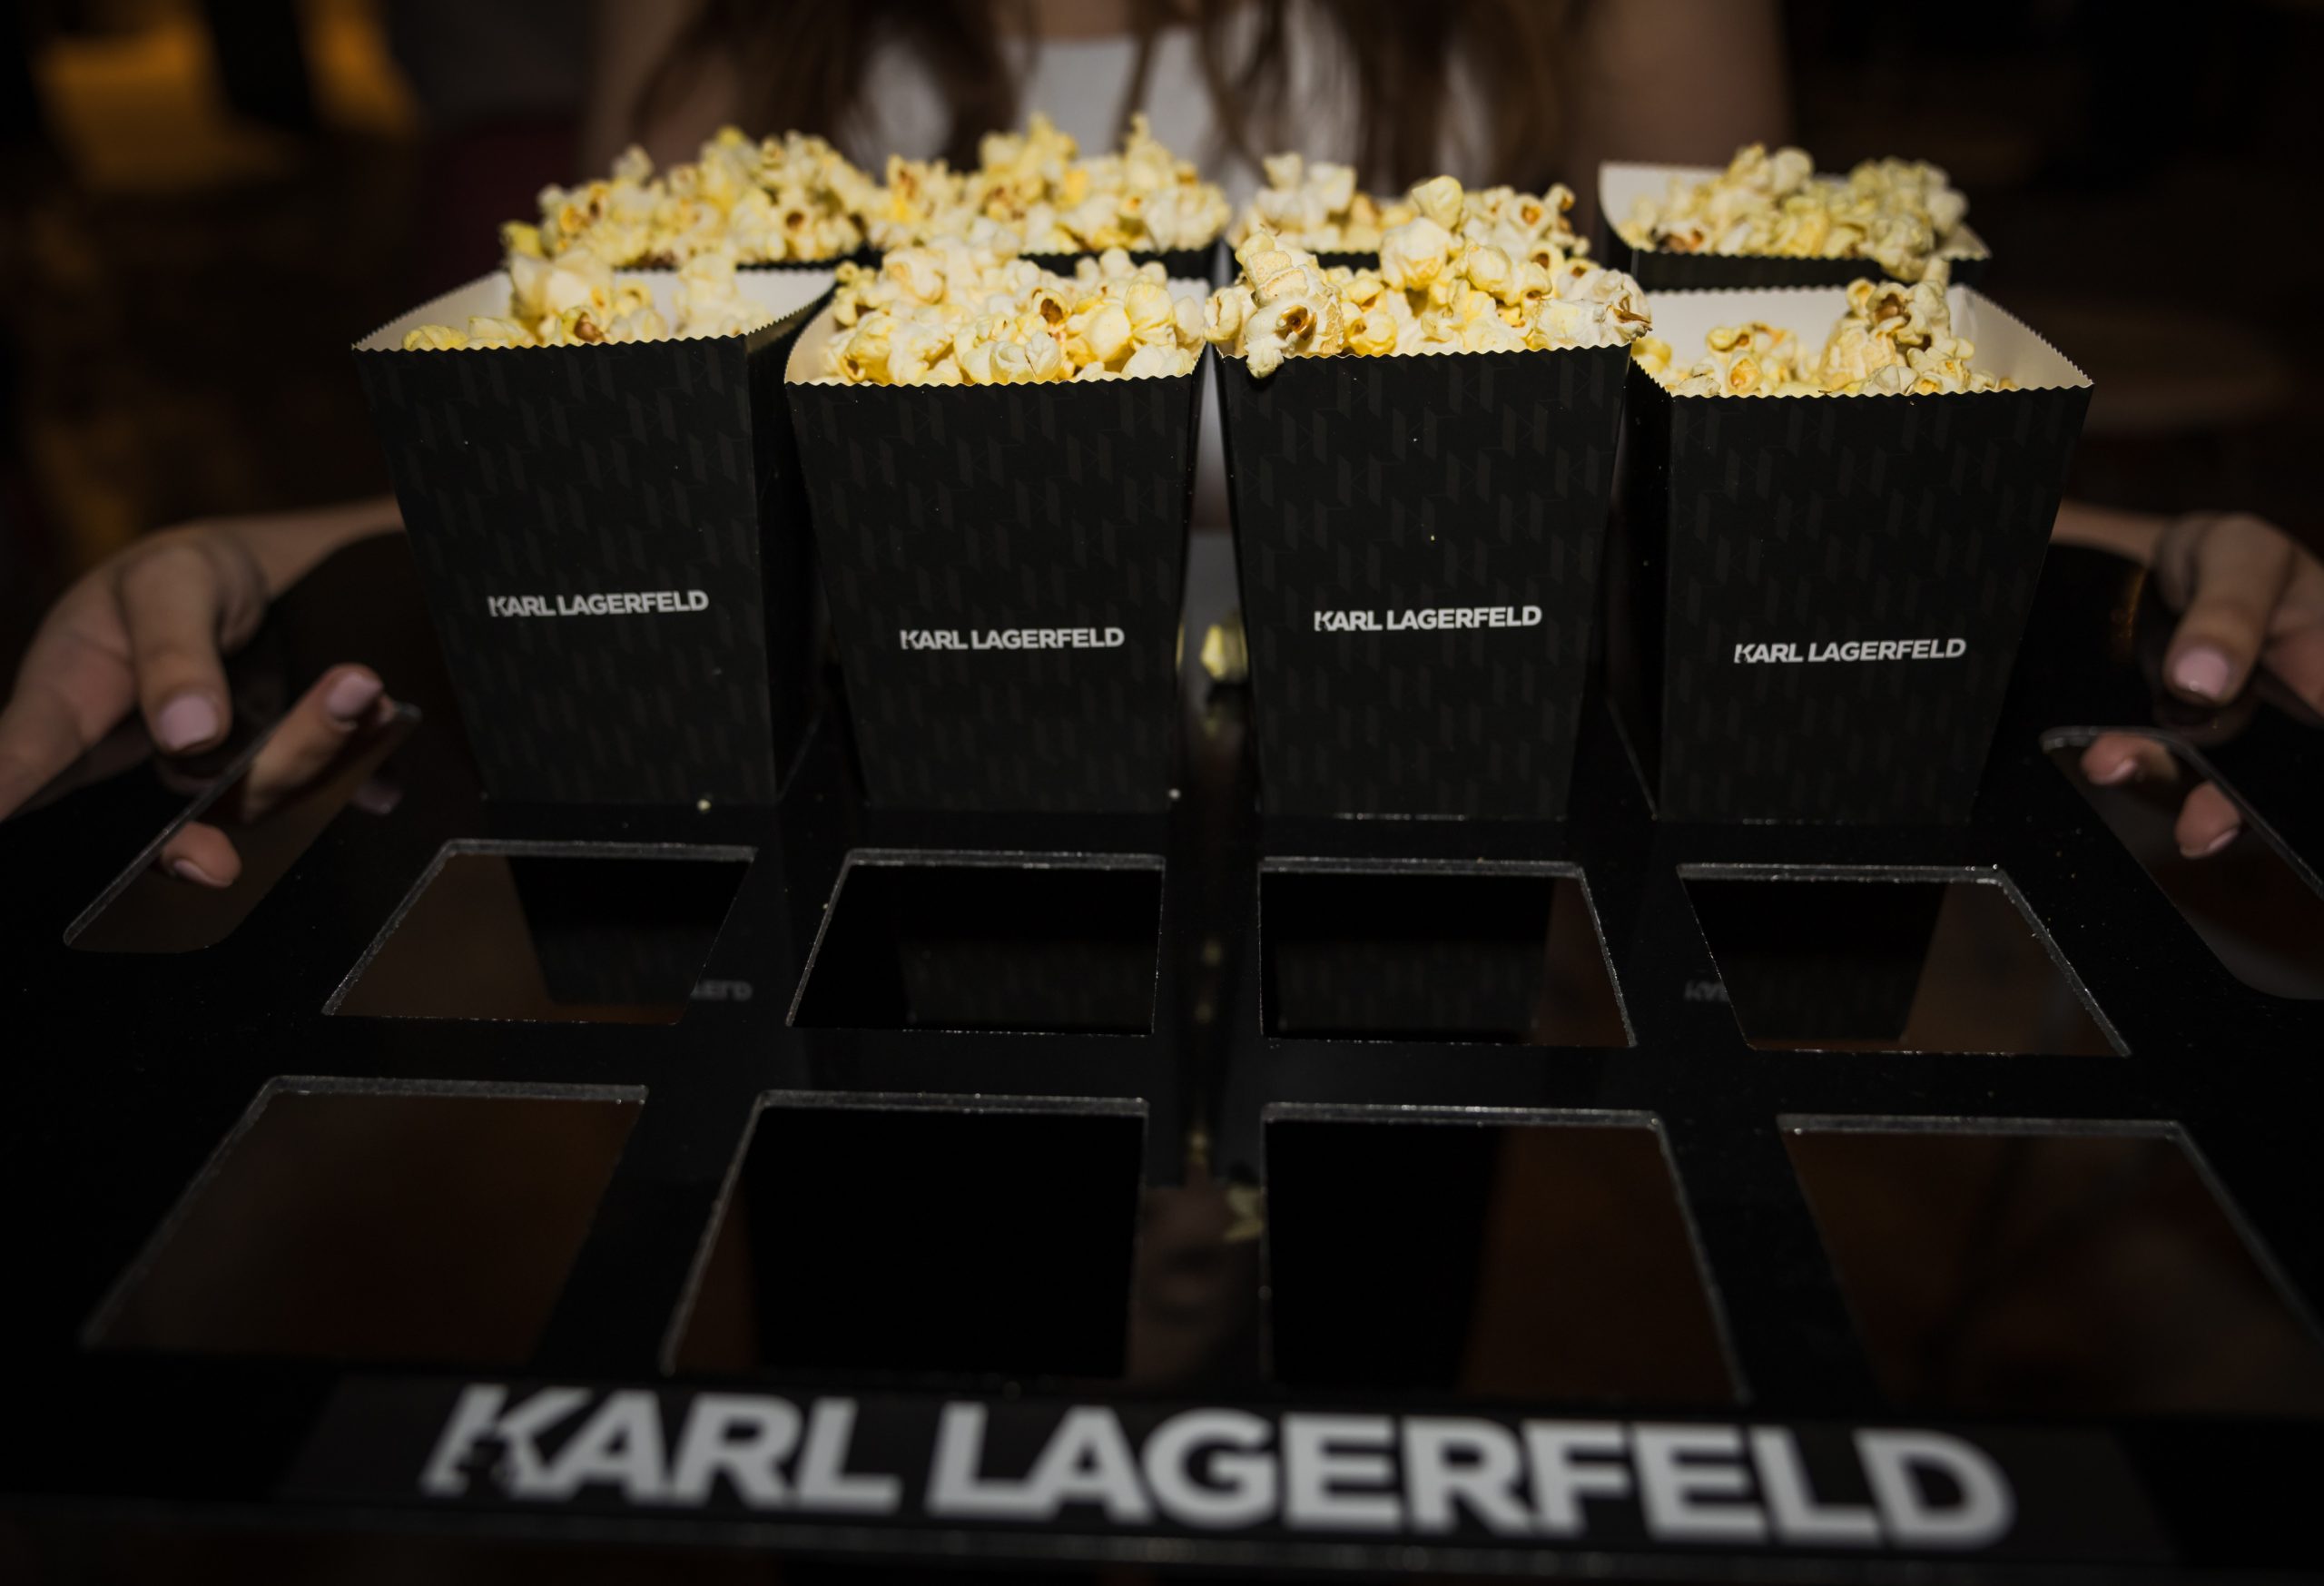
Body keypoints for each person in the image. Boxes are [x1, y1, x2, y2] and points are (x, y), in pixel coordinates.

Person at [0, 0, 2316, 874]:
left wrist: (2146, 560)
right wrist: (271, 551)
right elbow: (638, 405)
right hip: (878, 795)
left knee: (1374, 1386)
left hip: (1443, 777)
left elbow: (1779, 403)